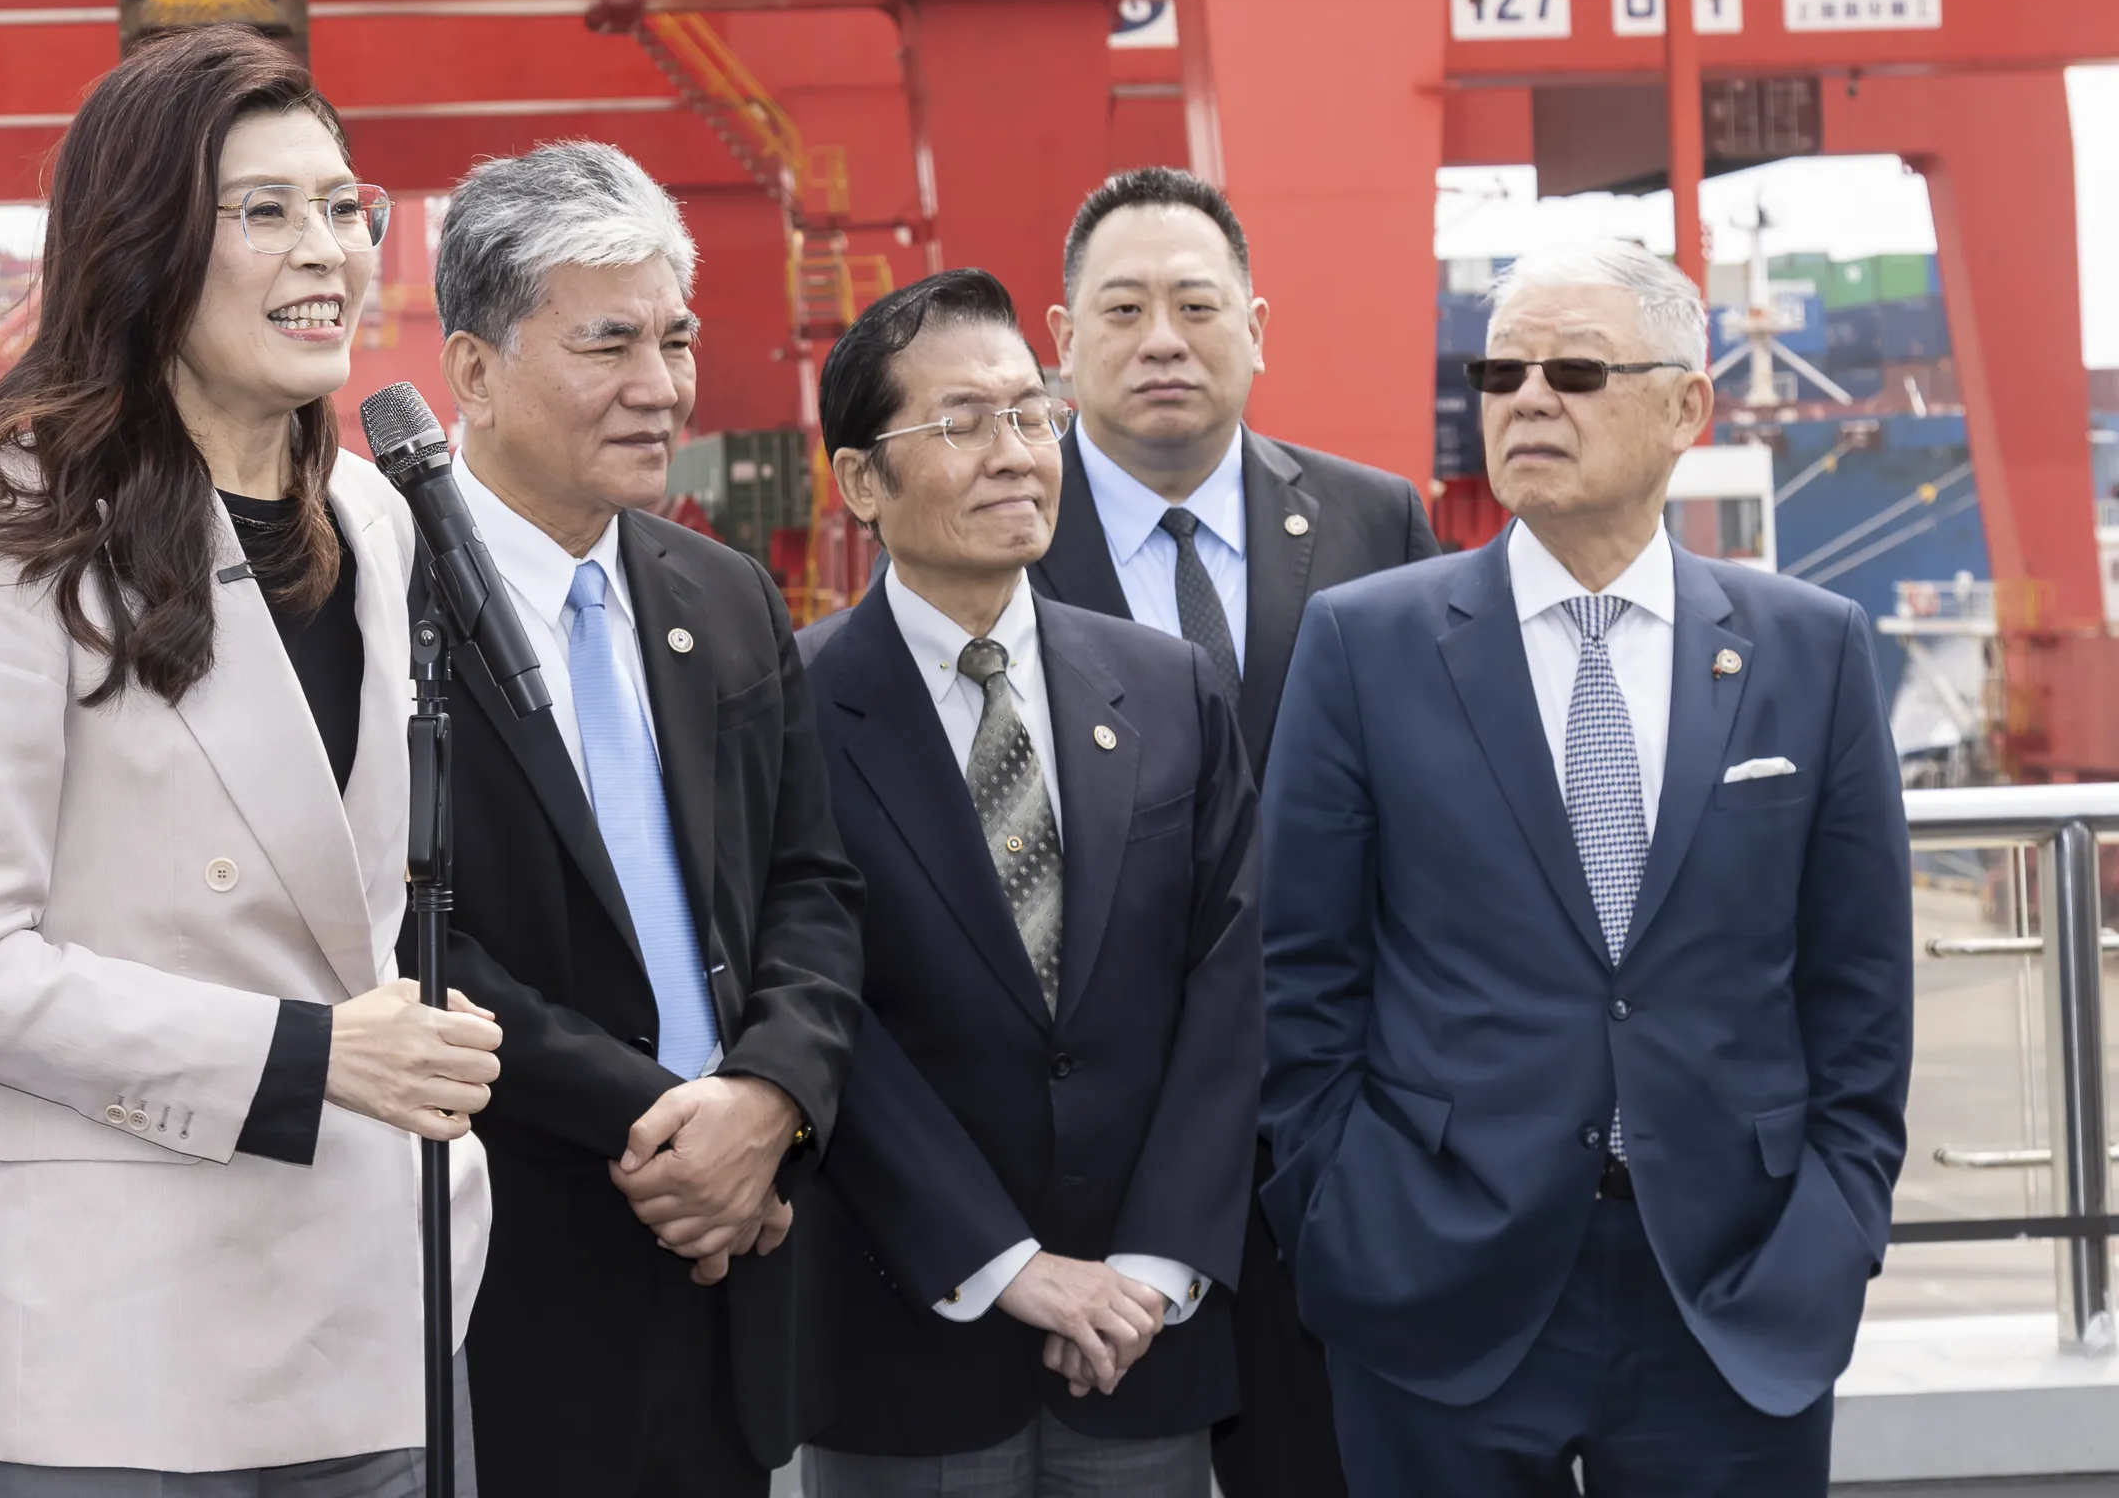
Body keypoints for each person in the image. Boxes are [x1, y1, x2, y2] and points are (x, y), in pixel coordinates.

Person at [0, 28, 500, 1494]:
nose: (328, 251)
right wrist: (307, 1053)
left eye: (346, 208)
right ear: (145, 244)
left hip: (375, 1285)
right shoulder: (8, 538)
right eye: (266, 211)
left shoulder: (383, 518)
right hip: (118, 1334)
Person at [1260, 241, 1913, 1497]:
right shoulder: (1367, 644)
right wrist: (1341, 1215)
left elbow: (1861, 989)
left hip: (1732, 1295)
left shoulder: (1810, 650)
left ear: (1686, 408)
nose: (1528, 399)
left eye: (1574, 369)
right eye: (1501, 370)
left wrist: (1832, 1232)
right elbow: (1300, 972)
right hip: (1435, 1293)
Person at [426, 141, 864, 1498]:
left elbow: (810, 886)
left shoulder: (725, 595)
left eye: (673, 341)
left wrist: (770, 1098)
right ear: (475, 367)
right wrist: (670, 1122)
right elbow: (392, 922)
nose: (662, 388)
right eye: (608, 344)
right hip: (504, 1270)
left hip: (732, 1256)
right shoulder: (372, 597)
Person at [793, 270, 1260, 1498]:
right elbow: (816, 1008)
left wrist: (1150, 1269)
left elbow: (1231, 980)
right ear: (859, 482)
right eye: (963, 424)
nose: (1016, 454)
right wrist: (1004, 1262)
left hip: (1139, 1342)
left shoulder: (1168, 688)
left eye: (1031, 414)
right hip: (908, 1336)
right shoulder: (786, 706)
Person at [1030, 167, 1436, 1498]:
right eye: (1125, 308)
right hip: (1090, 1171)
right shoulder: (990, 538)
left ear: (1256, 327)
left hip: (1329, 1147)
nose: (1163, 339)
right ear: (1062, 334)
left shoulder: (1378, 523)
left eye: (1198, 306)